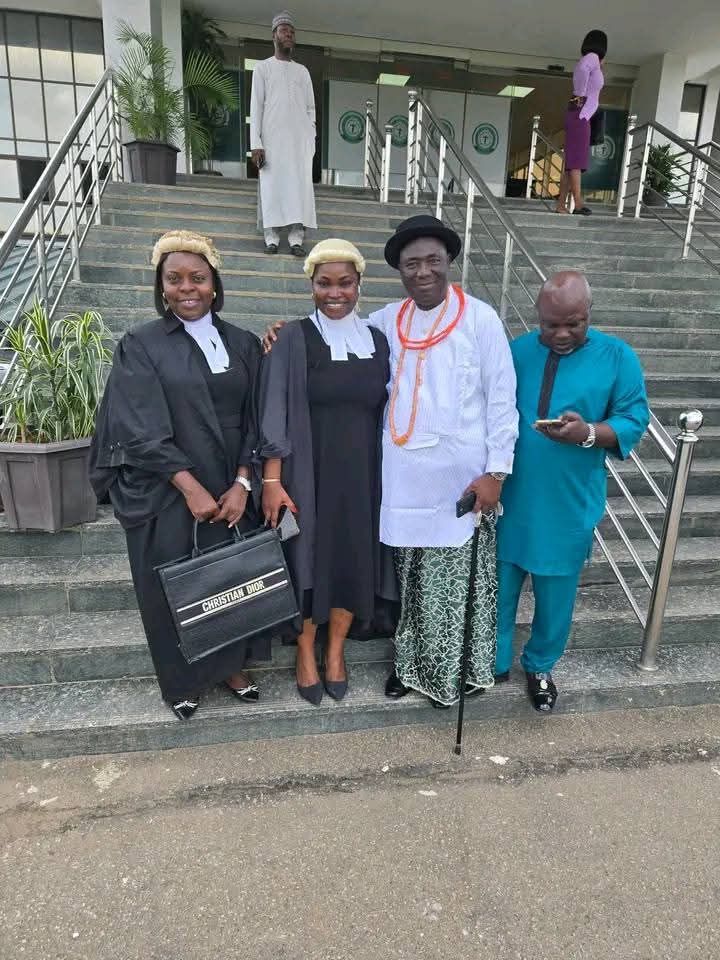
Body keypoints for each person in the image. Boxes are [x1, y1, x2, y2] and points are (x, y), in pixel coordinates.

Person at [89, 230, 266, 721]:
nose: (187, 288)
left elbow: (258, 417)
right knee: (172, 587)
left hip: (229, 485)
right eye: (174, 279)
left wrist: (243, 483)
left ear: (215, 283)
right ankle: (182, 681)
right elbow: (137, 425)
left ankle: (232, 668)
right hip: (166, 488)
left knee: (230, 582)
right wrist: (188, 487)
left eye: (198, 278)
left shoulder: (244, 343)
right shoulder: (140, 344)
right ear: (161, 286)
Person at [372, 216, 519, 708]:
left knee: (452, 585)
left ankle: (451, 673)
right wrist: (284, 334)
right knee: (411, 581)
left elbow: (502, 401)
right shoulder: (385, 320)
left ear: (449, 261)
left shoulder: (481, 318)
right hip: (404, 479)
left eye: (433, 260)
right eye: (411, 264)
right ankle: (408, 666)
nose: (423, 272)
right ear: (399, 270)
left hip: (461, 481)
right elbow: (335, 336)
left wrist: (496, 473)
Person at [495, 271, 650, 713]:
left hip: (569, 502)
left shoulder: (617, 356)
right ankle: (493, 661)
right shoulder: (516, 351)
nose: (562, 334)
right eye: (551, 325)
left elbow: (633, 417)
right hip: (510, 497)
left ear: (589, 313)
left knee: (555, 597)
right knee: (499, 589)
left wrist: (589, 433)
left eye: (574, 324)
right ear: (537, 315)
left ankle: (540, 665)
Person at [258, 239, 391, 705]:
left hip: (363, 475)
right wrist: (272, 480)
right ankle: (305, 652)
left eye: (345, 283)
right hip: (307, 474)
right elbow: (273, 409)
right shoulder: (291, 337)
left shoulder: (377, 340)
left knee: (352, 560)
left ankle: (336, 651)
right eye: (324, 283)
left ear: (359, 285)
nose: (335, 293)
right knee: (307, 563)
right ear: (311, 285)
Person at [250, 11, 317, 257]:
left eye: (291, 31)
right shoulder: (263, 68)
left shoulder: (303, 71)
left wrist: (311, 135)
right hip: (272, 141)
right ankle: (272, 239)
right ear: (274, 36)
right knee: (272, 188)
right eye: (283, 30)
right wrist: (256, 143)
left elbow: (310, 108)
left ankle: (296, 239)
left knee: (299, 189)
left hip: (300, 143)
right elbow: (256, 107)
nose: (288, 34)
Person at [555, 29, 607, 216]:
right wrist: (581, 95)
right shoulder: (592, 57)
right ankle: (577, 203)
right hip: (580, 114)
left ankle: (561, 204)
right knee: (576, 161)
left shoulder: (592, 60)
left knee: (571, 163)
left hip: (579, 114)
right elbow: (584, 70)